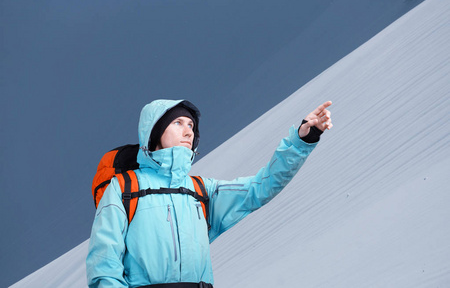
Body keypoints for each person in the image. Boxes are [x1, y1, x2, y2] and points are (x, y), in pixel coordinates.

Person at [86, 99, 332, 288]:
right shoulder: (124, 188)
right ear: (154, 132)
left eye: (191, 125)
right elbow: (104, 261)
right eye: (178, 123)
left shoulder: (200, 191)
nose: (188, 131)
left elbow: (261, 187)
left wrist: (302, 141)